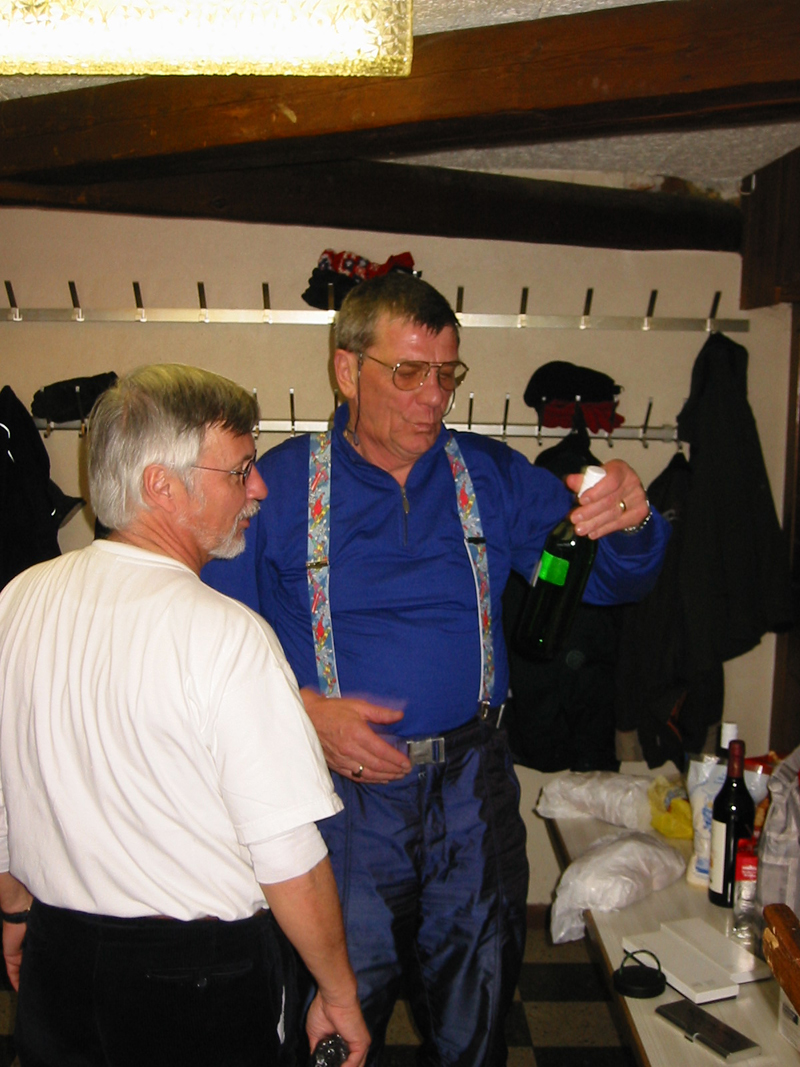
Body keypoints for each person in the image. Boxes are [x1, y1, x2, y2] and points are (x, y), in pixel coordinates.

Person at [203, 274, 670, 1066]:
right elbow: (209, 646)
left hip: (473, 792)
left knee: (476, 1020)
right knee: (336, 1023)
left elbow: (615, 579)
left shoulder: (489, 475)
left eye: (446, 374)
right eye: (408, 372)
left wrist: (632, 518)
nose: (433, 398)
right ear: (347, 369)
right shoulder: (275, 487)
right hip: (337, 805)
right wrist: (301, 712)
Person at [0, 364, 370, 1067]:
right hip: (196, 982)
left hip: (59, 961)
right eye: (241, 470)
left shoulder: (17, 601)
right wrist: (339, 992)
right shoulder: (227, 635)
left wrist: (14, 905)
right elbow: (288, 857)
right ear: (161, 486)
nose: (259, 488)